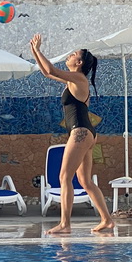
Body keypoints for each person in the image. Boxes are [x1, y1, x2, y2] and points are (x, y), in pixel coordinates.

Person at [28, 33, 114, 234]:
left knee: (64, 177)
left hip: (80, 133)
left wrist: (39, 50)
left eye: (73, 54)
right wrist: (34, 52)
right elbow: (48, 73)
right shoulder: (74, 80)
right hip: (86, 133)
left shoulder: (78, 78)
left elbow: (50, 69)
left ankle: (65, 224)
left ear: (79, 62)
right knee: (85, 181)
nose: (69, 56)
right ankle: (107, 220)